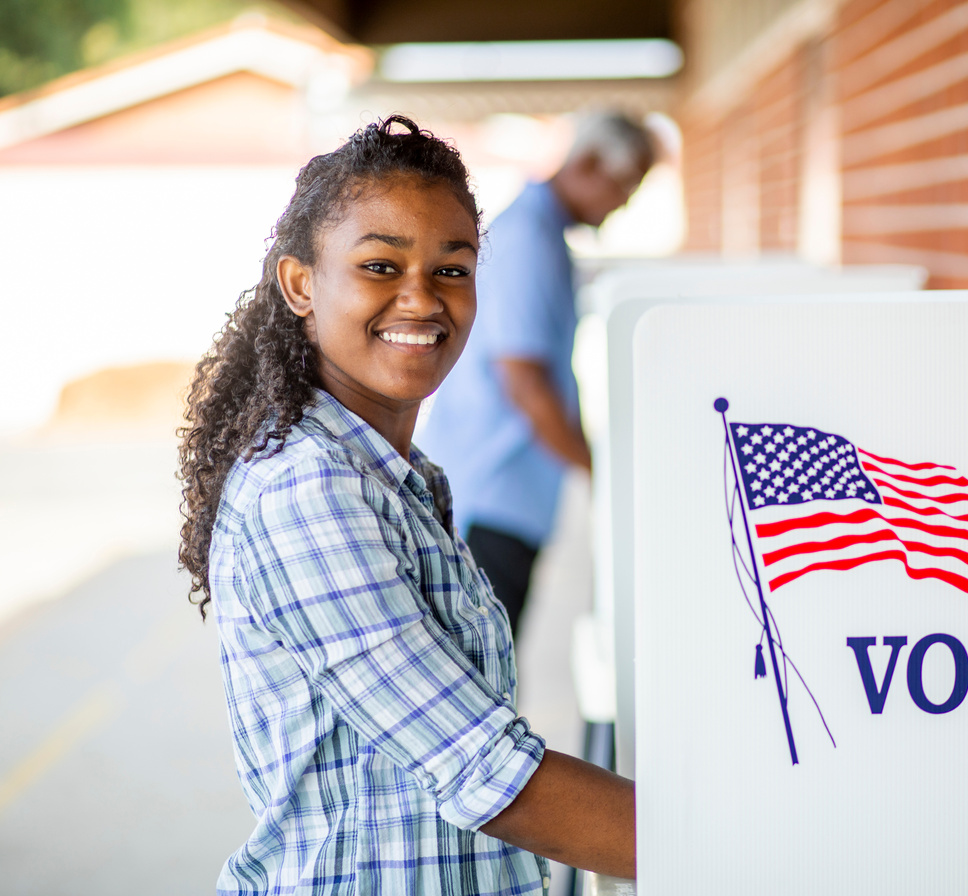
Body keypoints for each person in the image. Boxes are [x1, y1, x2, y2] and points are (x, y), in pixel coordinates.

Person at [178, 116, 634, 895]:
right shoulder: (309, 489)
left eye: (451, 270)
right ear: (301, 285)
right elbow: (489, 772)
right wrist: (736, 843)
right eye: (381, 266)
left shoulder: (397, 474)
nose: (422, 299)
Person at [417, 111, 656, 636]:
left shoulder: (544, 230)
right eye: (627, 183)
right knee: (482, 677)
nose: (627, 202)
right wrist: (601, 472)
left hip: (506, 496)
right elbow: (524, 381)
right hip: (489, 498)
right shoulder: (529, 236)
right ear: (589, 164)